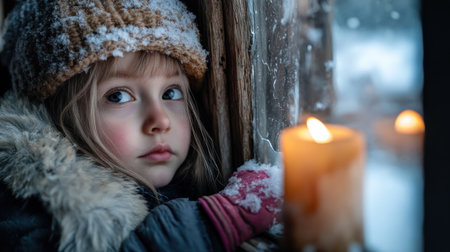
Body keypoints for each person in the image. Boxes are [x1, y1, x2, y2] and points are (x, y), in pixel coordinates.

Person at [0, 0, 282, 251]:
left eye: (170, 93)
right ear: (55, 113)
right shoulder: (32, 212)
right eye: (118, 96)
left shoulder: (197, 181)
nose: (160, 121)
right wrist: (218, 220)